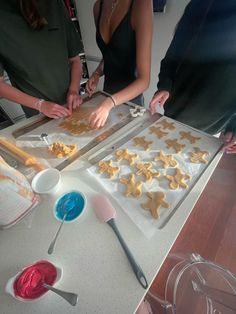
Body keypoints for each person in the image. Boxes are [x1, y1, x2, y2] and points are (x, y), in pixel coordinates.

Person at [149, 0, 236, 153]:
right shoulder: (197, 5)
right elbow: (171, 59)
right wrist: (164, 86)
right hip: (173, 113)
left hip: (214, 128)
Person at [0, 0, 83, 119]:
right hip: (38, 113)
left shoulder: (55, 4)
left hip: (71, 104)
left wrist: (74, 90)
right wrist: (40, 105)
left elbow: (75, 60)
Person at [86, 0, 153, 128]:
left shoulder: (140, 4)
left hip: (131, 101)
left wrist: (109, 103)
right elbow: (110, 54)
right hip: (106, 95)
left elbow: (144, 80)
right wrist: (97, 73)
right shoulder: (98, 6)